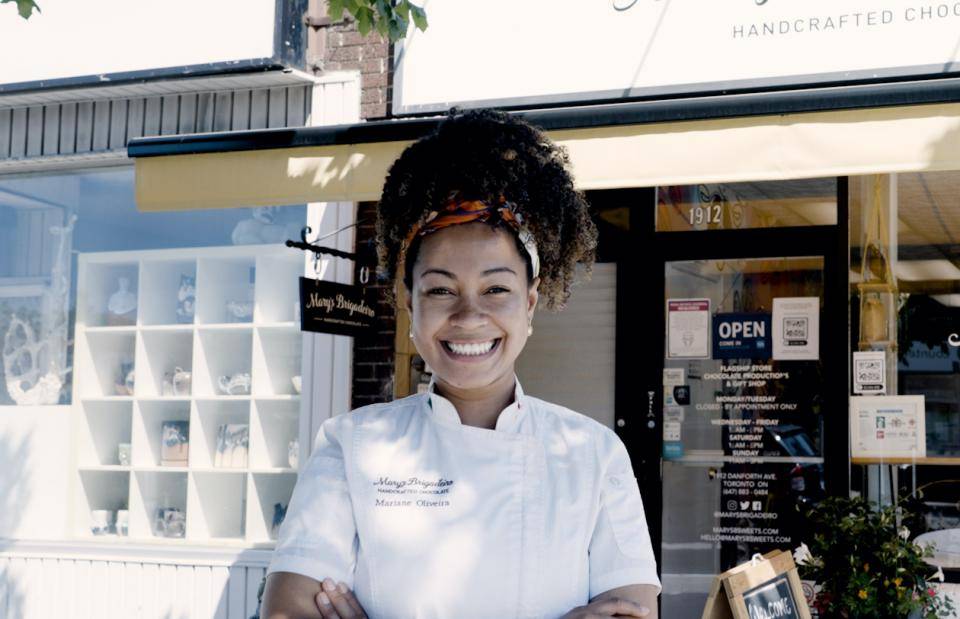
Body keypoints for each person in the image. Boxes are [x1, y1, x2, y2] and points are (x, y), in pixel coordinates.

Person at [261, 108, 661, 619]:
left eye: (496, 288)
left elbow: (632, 611)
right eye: (441, 289)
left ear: (531, 302)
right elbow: (288, 611)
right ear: (409, 302)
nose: (469, 315)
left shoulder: (593, 454)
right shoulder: (352, 445)